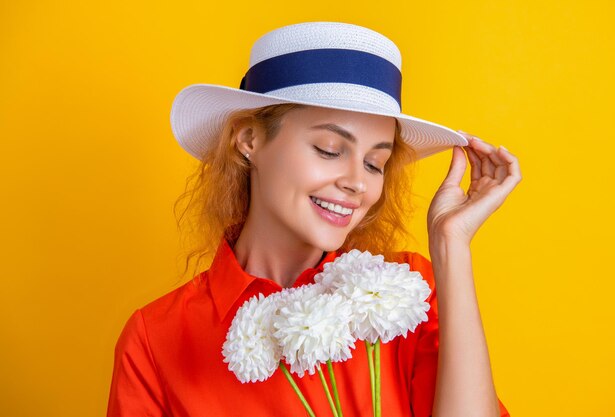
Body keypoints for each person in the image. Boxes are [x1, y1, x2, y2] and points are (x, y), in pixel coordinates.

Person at [107, 21, 520, 417]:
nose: (358, 182)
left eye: (376, 163)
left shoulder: (406, 294)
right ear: (249, 140)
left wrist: (451, 245)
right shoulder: (156, 337)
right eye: (329, 149)